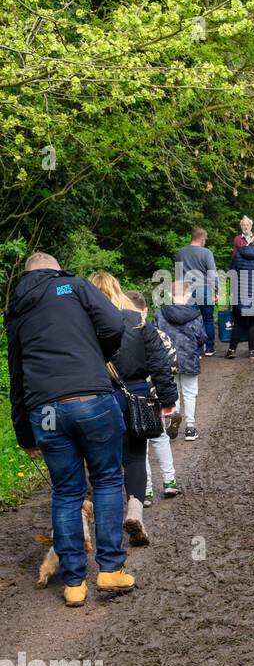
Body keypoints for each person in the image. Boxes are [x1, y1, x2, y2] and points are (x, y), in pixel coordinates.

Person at [8, 253, 134, 606]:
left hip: (45, 410)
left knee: (66, 491)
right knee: (108, 480)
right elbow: (115, 322)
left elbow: (17, 375)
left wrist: (24, 435)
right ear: (55, 268)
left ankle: (75, 583)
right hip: (91, 396)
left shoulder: (16, 309)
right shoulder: (76, 286)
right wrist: (98, 354)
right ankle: (110, 570)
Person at [89, 272, 178, 548]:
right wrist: (167, 399)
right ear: (118, 291)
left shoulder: (83, 326)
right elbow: (159, 362)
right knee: (136, 457)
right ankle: (135, 511)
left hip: (99, 397)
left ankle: (106, 523)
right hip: (137, 395)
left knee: (103, 463)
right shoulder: (138, 320)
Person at [127, 289, 180, 506]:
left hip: (134, 396)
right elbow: (173, 364)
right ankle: (169, 480)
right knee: (160, 438)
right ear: (146, 310)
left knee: (140, 445)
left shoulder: (123, 336)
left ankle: (146, 491)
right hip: (155, 396)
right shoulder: (160, 335)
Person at [154, 279, 206, 442]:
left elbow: (153, 336)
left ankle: (173, 416)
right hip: (189, 358)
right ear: (189, 295)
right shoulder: (195, 315)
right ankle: (190, 428)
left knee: (173, 391)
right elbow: (202, 337)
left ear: (170, 294)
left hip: (167, 360)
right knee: (190, 393)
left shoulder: (160, 314)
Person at [175, 227, 219, 357]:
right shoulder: (206, 253)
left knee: (191, 321)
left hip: (186, 290)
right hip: (204, 289)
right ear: (202, 239)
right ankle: (209, 348)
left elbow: (178, 274)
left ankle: (196, 350)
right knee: (208, 320)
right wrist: (215, 291)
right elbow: (212, 274)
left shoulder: (180, 253)